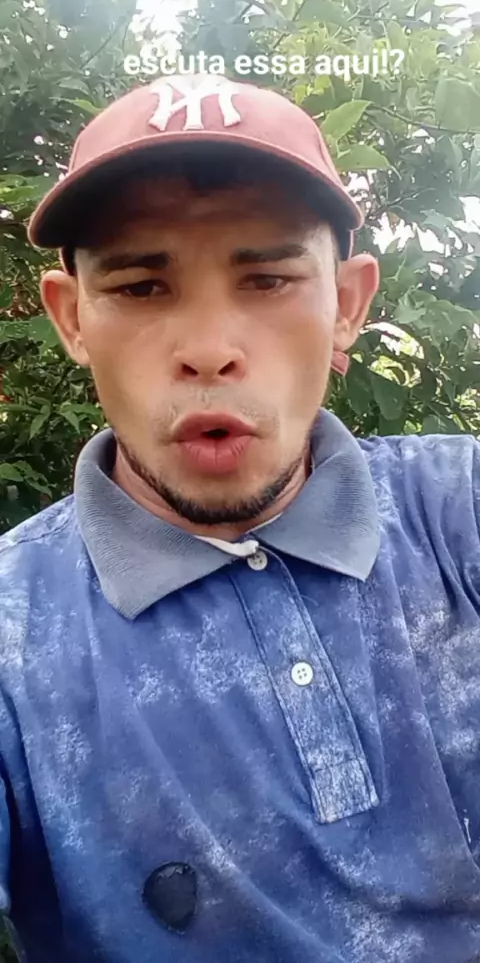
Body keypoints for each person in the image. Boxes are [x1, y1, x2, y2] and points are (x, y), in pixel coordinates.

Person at [0, 72, 479, 963]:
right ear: (71, 318)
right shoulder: (13, 628)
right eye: (141, 287)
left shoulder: (462, 512)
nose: (210, 350)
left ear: (349, 305)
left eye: (267, 278)